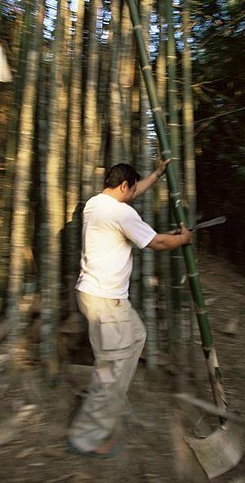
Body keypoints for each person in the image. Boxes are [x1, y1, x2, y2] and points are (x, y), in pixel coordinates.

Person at [66, 160, 192, 458]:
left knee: (136, 336)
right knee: (110, 370)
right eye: (132, 188)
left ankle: (112, 401)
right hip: (106, 302)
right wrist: (183, 239)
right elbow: (158, 243)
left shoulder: (95, 204)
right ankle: (86, 436)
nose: (134, 192)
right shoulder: (122, 212)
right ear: (124, 185)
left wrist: (157, 175)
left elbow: (132, 199)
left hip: (95, 296)